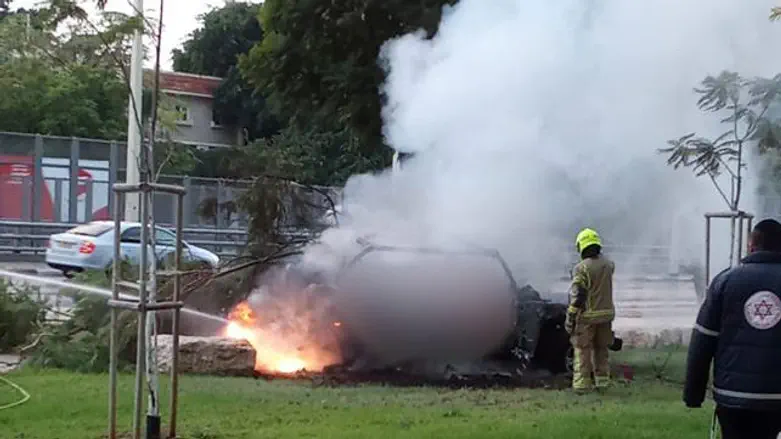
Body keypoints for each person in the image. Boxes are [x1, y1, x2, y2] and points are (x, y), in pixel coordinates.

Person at [684, 218, 781, 439]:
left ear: (751, 245)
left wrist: (693, 393)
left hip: (734, 396)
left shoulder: (726, 281)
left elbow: (703, 340)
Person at [565, 228, 616, 392]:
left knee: (582, 350)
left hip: (587, 316)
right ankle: (602, 382)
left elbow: (579, 295)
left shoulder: (581, 269)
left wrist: (571, 316)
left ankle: (582, 385)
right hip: (606, 315)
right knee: (602, 349)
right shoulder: (609, 265)